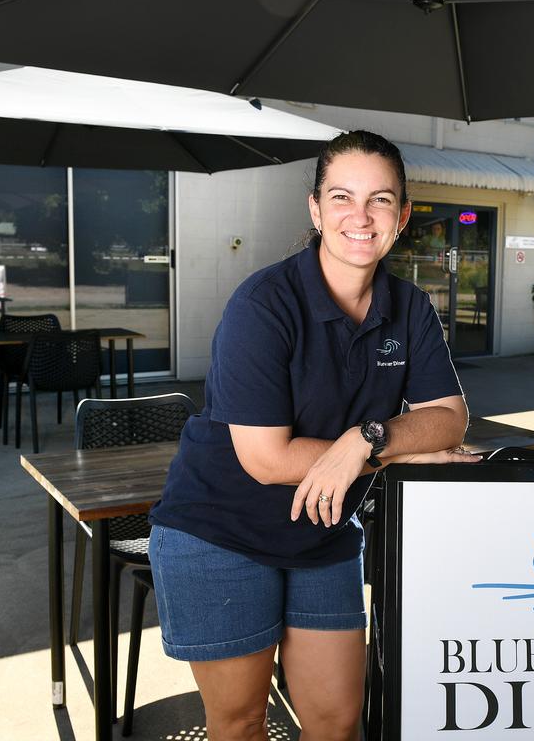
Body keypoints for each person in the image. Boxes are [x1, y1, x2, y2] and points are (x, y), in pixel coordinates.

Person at [148, 130, 480, 741]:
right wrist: (400, 455)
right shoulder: (264, 305)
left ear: (402, 216)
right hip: (223, 531)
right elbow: (268, 459)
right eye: (342, 197)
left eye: (380, 200)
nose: (361, 215)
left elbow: (448, 417)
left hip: (324, 532)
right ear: (316, 209)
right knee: (242, 723)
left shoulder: (410, 307)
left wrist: (365, 439)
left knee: (335, 721)